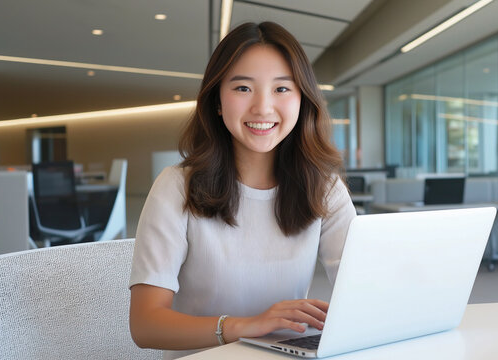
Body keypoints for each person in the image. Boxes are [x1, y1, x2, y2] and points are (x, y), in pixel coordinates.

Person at [129, 21, 356, 359]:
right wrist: (242, 326)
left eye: (282, 89)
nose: (263, 108)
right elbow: (146, 325)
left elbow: (364, 289)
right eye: (243, 88)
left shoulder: (324, 187)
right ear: (217, 101)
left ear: (302, 99)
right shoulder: (177, 187)